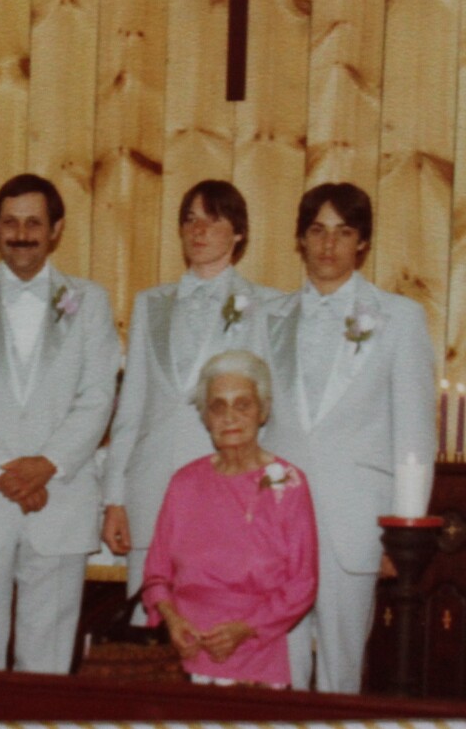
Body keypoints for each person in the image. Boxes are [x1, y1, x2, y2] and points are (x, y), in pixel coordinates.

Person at [0, 173, 120, 674]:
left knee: (50, 662)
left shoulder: (91, 301)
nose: (21, 233)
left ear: (56, 230)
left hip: (60, 498)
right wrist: (2, 473)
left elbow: (98, 397)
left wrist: (47, 465)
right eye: (10, 222)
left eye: (34, 222)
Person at [262, 182, 437, 693]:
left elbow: (415, 435)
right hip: (278, 520)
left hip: (355, 523)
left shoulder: (399, 319)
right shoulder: (271, 317)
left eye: (343, 232)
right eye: (317, 231)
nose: (328, 245)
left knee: (340, 671)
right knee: (280, 669)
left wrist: (402, 533)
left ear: (362, 243)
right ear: (300, 238)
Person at [102, 180, 279, 611]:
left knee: (215, 621)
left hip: (225, 488)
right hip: (151, 489)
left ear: (238, 233)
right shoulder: (150, 303)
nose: (198, 230)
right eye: (190, 220)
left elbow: (269, 410)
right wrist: (114, 498)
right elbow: (132, 405)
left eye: (213, 220)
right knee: (146, 632)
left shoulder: (266, 305)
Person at [143, 350, 318, 688]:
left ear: (263, 411)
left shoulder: (288, 482)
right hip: (182, 654)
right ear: (205, 417)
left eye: (243, 405)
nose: (229, 417)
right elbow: (156, 573)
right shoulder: (185, 482)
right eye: (218, 406)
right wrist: (171, 619)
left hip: (257, 651)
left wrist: (246, 628)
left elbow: (302, 584)